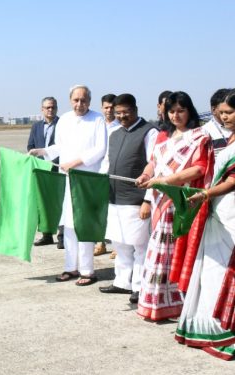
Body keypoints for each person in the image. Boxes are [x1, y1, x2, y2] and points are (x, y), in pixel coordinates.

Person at [135, 91, 214, 321]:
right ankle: (155, 303)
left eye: (181, 110)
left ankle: (178, 303)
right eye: (171, 111)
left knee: (176, 251)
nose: (176, 115)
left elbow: (200, 168)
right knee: (157, 250)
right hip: (160, 200)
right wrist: (145, 175)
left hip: (180, 201)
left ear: (189, 110)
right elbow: (153, 164)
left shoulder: (200, 136)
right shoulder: (163, 137)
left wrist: (167, 181)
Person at [175, 90, 235, 359]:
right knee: (211, 272)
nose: (225, 117)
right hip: (218, 212)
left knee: (224, 271)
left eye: (230, 113)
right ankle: (207, 325)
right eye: (222, 113)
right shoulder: (230, 138)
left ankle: (225, 329)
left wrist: (206, 194)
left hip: (229, 213)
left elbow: (233, 180)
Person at [29, 85, 107, 286]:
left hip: (87, 179)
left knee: (84, 225)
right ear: (70, 100)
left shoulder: (97, 119)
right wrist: (42, 151)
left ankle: (88, 271)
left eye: (83, 100)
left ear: (89, 101)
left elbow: (100, 149)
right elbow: (60, 146)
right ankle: (71, 267)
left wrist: (76, 162)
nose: (79, 104)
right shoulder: (64, 120)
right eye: (76, 100)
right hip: (67, 178)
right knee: (69, 225)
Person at [97, 94, 158, 303]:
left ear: (136, 109)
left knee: (139, 246)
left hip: (136, 200)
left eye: (126, 112)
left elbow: (154, 168)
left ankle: (140, 288)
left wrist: (148, 200)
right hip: (114, 199)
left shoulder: (149, 132)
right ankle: (122, 282)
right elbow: (106, 163)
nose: (122, 116)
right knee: (120, 243)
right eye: (118, 113)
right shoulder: (114, 133)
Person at [28, 96, 61, 247]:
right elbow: (30, 146)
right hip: (41, 170)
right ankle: (46, 235)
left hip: (58, 169)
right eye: (47, 107)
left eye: (53, 107)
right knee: (43, 203)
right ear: (42, 109)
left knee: (60, 203)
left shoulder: (63, 124)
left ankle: (62, 237)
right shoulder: (36, 127)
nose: (50, 110)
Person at [95, 93, 119, 257]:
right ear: (101, 108)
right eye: (106, 107)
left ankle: (117, 246)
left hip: (114, 174)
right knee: (98, 210)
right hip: (97, 173)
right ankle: (100, 242)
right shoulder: (97, 125)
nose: (109, 110)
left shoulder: (120, 127)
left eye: (112, 107)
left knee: (114, 211)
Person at [202, 88, 233, 155]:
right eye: (222, 112)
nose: (224, 116)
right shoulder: (205, 132)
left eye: (229, 112)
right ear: (213, 110)